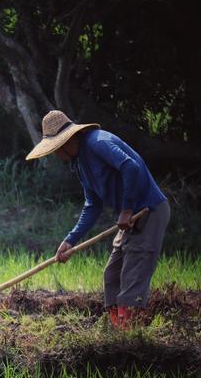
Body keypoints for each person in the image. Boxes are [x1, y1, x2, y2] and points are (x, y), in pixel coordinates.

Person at [26, 110, 170, 329]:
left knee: (132, 276)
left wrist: (127, 209)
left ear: (66, 142)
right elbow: (92, 205)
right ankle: (117, 329)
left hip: (148, 211)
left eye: (55, 149)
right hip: (130, 217)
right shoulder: (80, 163)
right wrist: (70, 240)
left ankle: (130, 336)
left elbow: (130, 166)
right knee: (112, 275)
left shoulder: (97, 143)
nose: (56, 155)